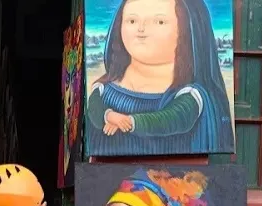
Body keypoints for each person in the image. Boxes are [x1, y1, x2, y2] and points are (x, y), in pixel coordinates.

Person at [85, 0, 234, 156]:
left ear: (187, 30)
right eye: (132, 20)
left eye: (159, 21)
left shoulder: (191, 94)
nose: (141, 29)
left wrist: (128, 122)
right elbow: (94, 110)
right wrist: (108, 115)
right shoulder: (103, 88)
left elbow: (175, 118)